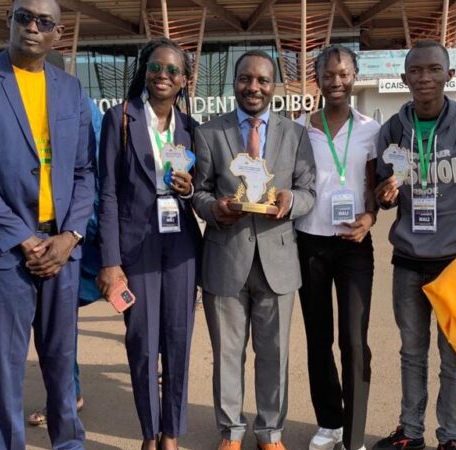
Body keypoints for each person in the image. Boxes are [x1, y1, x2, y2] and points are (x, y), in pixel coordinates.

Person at [0, 0, 95, 447]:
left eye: (43, 22)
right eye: (23, 17)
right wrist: (24, 239)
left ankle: (68, 441)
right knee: (7, 364)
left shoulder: (69, 89)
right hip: (3, 249)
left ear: (57, 33)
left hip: (62, 248)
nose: (32, 27)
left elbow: (85, 172)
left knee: (61, 356)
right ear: (9, 21)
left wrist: (70, 236)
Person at [372, 40, 456, 450]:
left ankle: (450, 438)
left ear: (449, 75)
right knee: (411, 353)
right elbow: (381, 191)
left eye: (434, 69)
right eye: (416, 71)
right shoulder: (393, 131)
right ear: (404, 79)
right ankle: (411, 432)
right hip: (409, 260)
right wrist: (383, 195)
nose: (425, 78)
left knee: (454, 360)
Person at [192, 50, 316, 450]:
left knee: (274, 355)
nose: (254, 87)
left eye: (263, 80)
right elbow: (199, 191)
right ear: (235, 83)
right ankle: (230, 432)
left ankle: (270, 432)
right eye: (246, 79)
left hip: (278, 259)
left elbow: (309, 190)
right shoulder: (209, 132)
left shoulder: (295, 134)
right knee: (228, 354)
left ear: (273, 86)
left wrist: (291, 201)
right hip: (226, 255)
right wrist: (214, 209)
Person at [96, 37, 201, 450]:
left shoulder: (190, 128)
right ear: (145, 71)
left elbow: (202, 188)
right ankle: (148, 431)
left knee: (178, 339)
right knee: (142, 343)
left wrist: (190, 190)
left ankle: (171, 433)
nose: (163, 76)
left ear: (184, 80)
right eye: (156, 67)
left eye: (173, 70)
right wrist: (109, 260)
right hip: (134, 246)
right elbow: (106, 192)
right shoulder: (120, 118)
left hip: (180, 248)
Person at [293, 45, 379, 450]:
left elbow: (377, 183)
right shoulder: (298, 128)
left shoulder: (371, 130)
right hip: (309, 242)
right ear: (318, 79)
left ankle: (354, 433)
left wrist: (372, 216)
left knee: (353, 341)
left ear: (354, 75)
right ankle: (329, 421)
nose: (336, 82)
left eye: (343, 74)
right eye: (328, 75)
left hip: (354, 245)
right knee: (318, 337)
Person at [27, 51, 104, 428]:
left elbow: (98, 174)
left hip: (87, 235)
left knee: (137, 307)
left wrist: (81, 231)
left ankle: (158, 370)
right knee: (56, 322)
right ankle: (66, 394)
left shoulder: (82, 109)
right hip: (49, 237)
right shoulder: (21, 108)